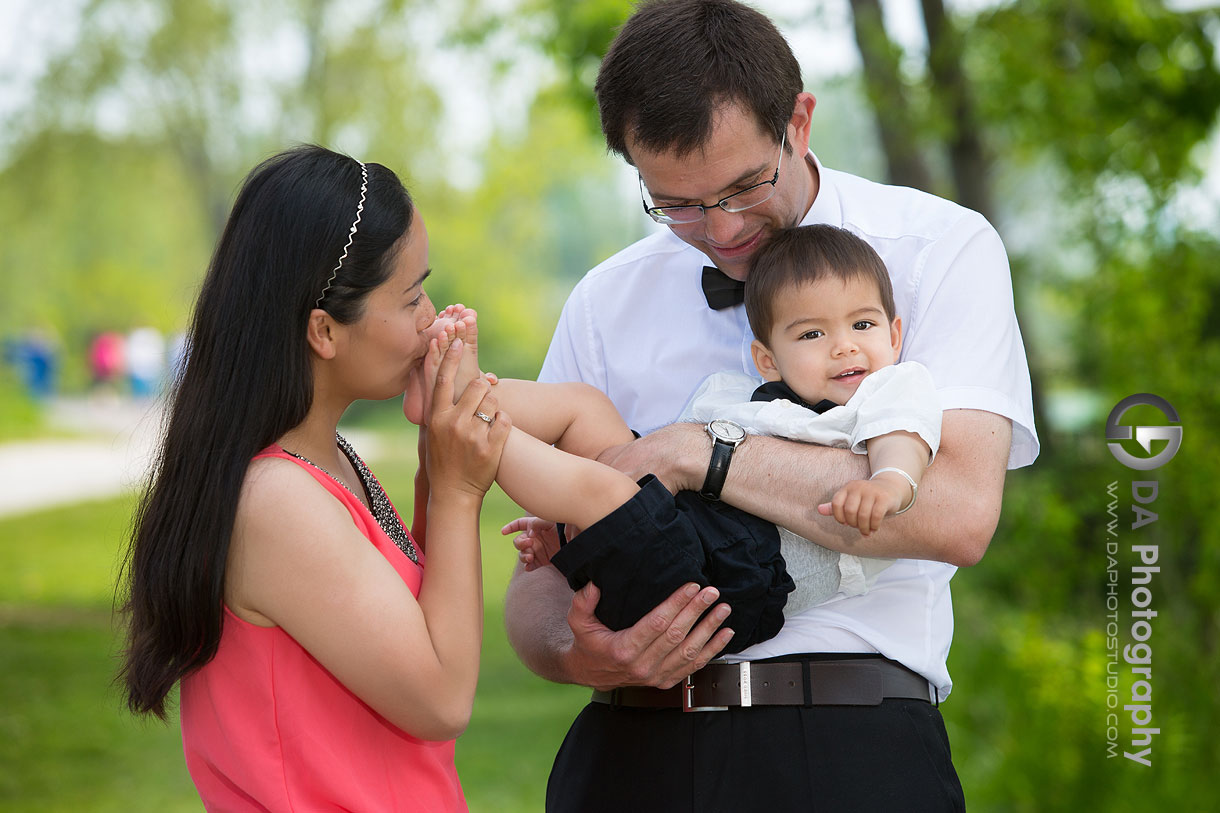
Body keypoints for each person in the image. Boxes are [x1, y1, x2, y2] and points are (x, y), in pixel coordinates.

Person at [502, 1, 1039, 811]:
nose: (720, 230)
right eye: (676, 203)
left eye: (745, 185)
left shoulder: (937, 248)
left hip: (846, 745)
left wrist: (700, 452)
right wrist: (581, 654)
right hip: (629, 752)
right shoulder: (606, 300)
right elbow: (536, 592)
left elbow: (958, 512)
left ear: (800, 121)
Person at [117, 146, 510, 811]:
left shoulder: (329, 463)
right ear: (324, 329)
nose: (431, 314)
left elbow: (411, 627)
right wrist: (456, 490)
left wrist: (435, 468)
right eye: (410, 295)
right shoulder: (277, 502)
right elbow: (441, 697)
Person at [501, 224, 941, 624]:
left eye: (862, 324)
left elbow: (903, 439)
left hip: (730, 574)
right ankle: (465, 393)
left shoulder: (888, 391)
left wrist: (887, 484)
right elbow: (652, 466)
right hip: (680, 532)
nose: (845, 347)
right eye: (812, 334)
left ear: (894, 336)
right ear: (767, 360)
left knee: (606, 492)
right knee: (586, 408)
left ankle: (475, 431)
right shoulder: (732, 393)